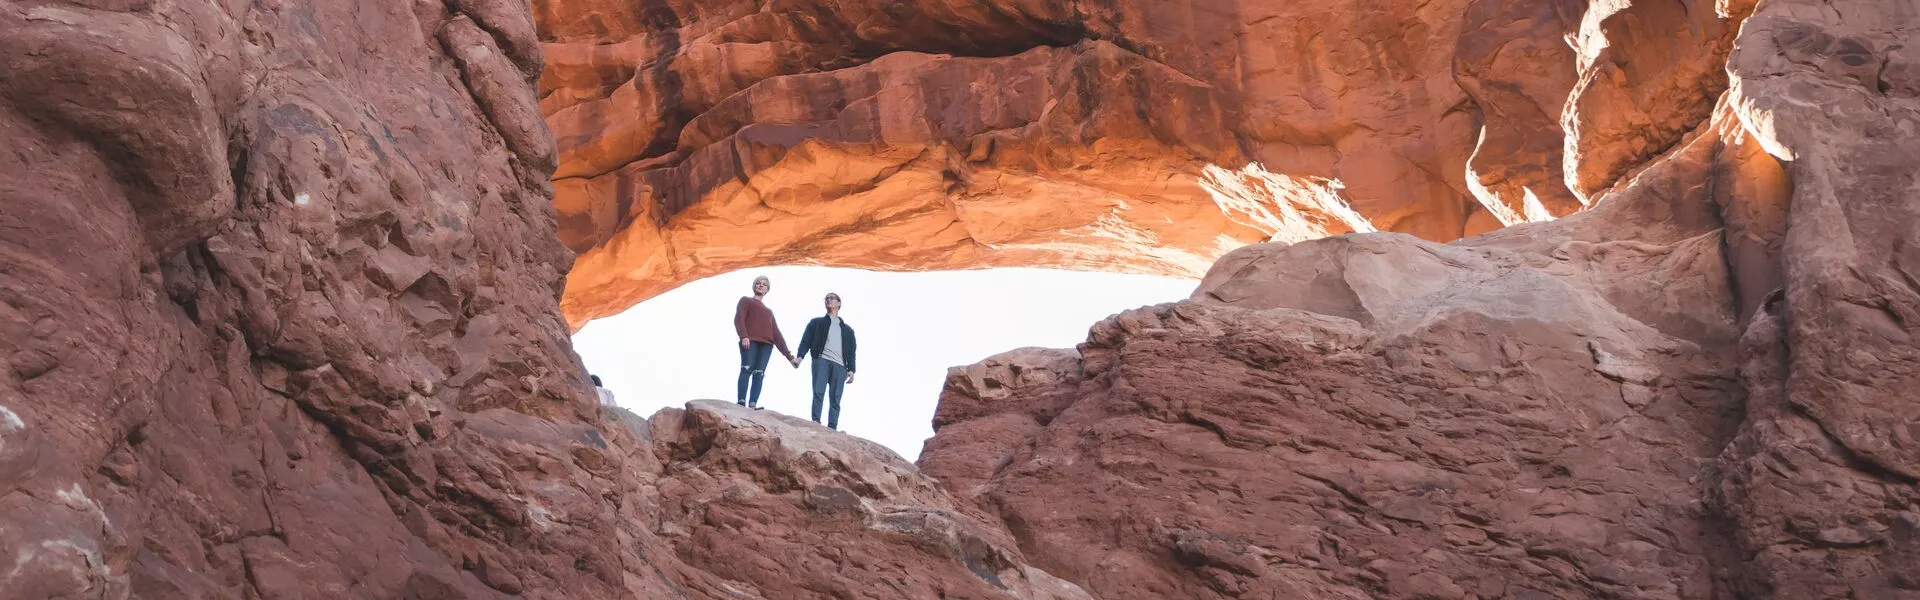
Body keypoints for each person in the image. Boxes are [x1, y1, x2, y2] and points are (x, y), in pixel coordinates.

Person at [732, 275, 797, 409]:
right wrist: (744, 336)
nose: (761, 285)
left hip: (767, 345)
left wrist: (789, 356)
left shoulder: (769, 312)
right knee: (746, 369)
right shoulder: (746, 301)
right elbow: (739, 319)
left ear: (767, 289)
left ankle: (752, 404)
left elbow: (776, 334)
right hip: (750, 341)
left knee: (759, 373)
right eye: (758, 283)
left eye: (764, 284)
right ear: (754, 286)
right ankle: (741, 401)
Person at [795, 292, 857, 430]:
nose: (829, 300)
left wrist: (852, 369)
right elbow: (806, 340)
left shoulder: (848, 330)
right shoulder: (816, 323)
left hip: (841, 366)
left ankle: (832, 427)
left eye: (832, 298)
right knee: (818, 392)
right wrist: (800, 357)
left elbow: (852, 351)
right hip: (821, 359)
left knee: (836, 397)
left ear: (839, 303)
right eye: (827, 298)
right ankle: (816, 421)